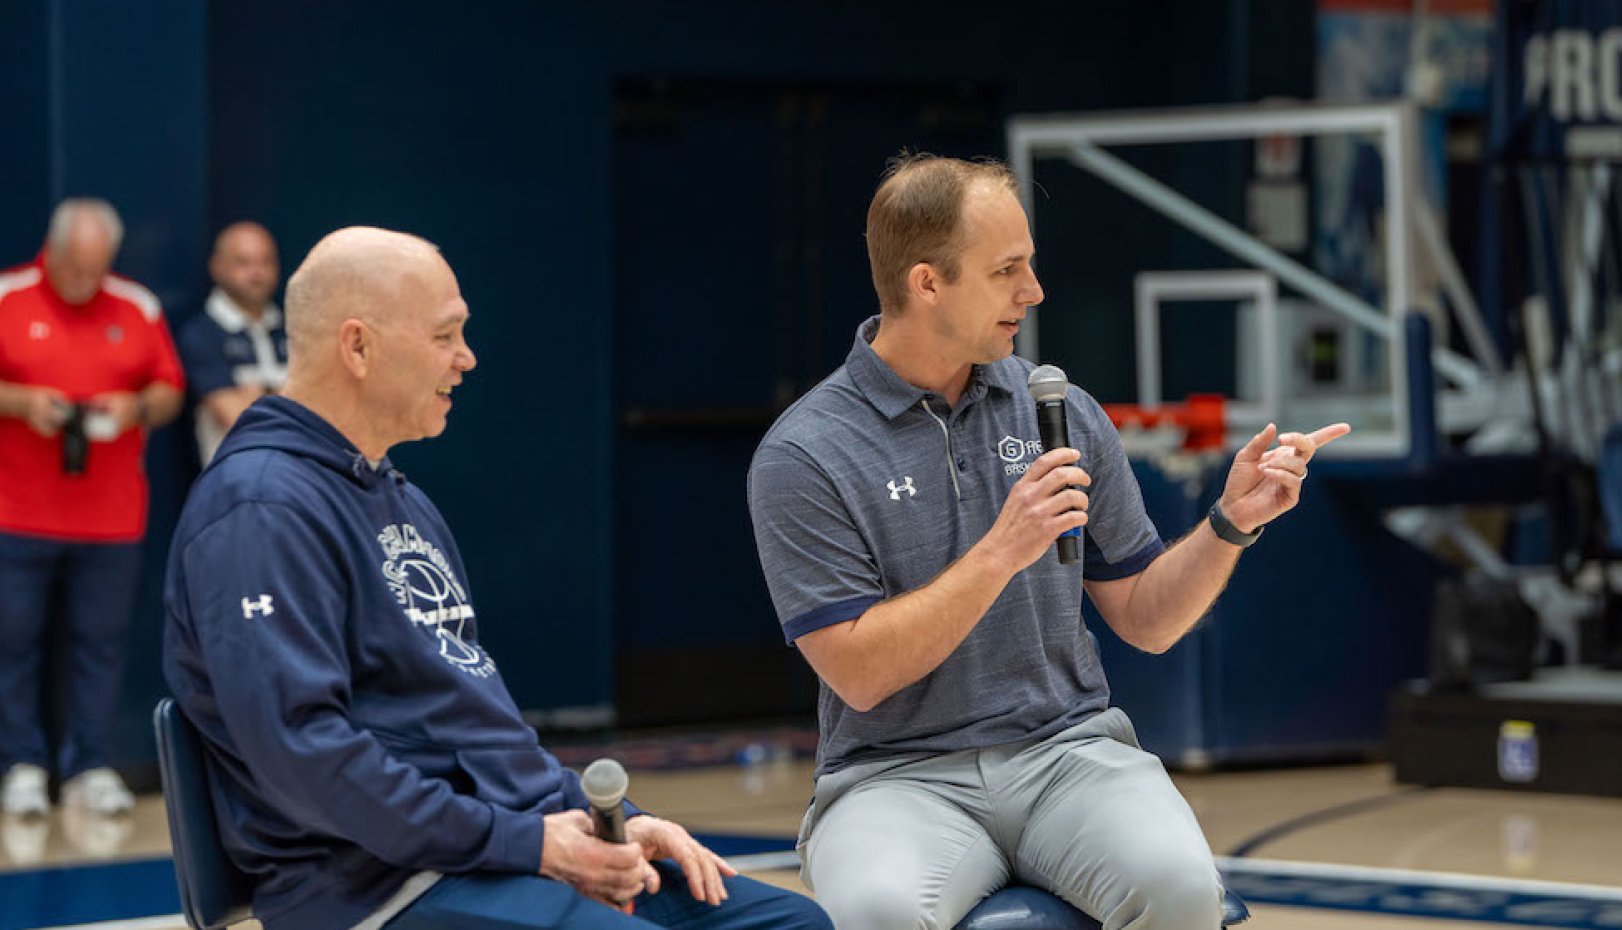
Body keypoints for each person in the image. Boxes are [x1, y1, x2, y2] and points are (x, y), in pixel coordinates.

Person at [162, 227, 833, 930]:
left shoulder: (398, 497)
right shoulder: (259, 509)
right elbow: (303, 754)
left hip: (491, 856)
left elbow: (474, 722)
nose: (466, 358)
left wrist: (609, 825)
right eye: (446, 335)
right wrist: (532, 844)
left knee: (792, 925)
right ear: (357, 347)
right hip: (378, 892)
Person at [746, 154, 1349, 930]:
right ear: (927, 283)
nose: (1034, 292)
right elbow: (860, 674)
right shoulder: (806, 453)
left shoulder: (1060, 410)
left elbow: (1147, 618)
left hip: (1069, 754)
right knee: (878, 915)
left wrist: (1231, 522)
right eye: (1007, 271)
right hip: (892, 779)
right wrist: (1004, 547)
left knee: (1180, 890)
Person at [0, 198, 184, 818]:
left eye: (95, 270)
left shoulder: (136, 305)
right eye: (73, 268)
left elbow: (168, 390)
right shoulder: (9, 294)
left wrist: (135, 409)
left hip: (110, 516)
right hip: (15, 510)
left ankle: (88, 765)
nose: (83, 282)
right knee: (12, 641)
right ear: (50, 251)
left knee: (99, 644)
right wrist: (22, 402)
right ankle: (20, 765)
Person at [177, 221, 289, 465]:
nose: (257, 273)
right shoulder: (201, 334)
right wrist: (289, 398)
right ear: (217, 267)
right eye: (243, 262)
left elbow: (329, 411)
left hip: (296, 481)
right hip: (234, 483)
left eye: (265, 262)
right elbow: (236, 417)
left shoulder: (293, 330)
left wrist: (258, 396)